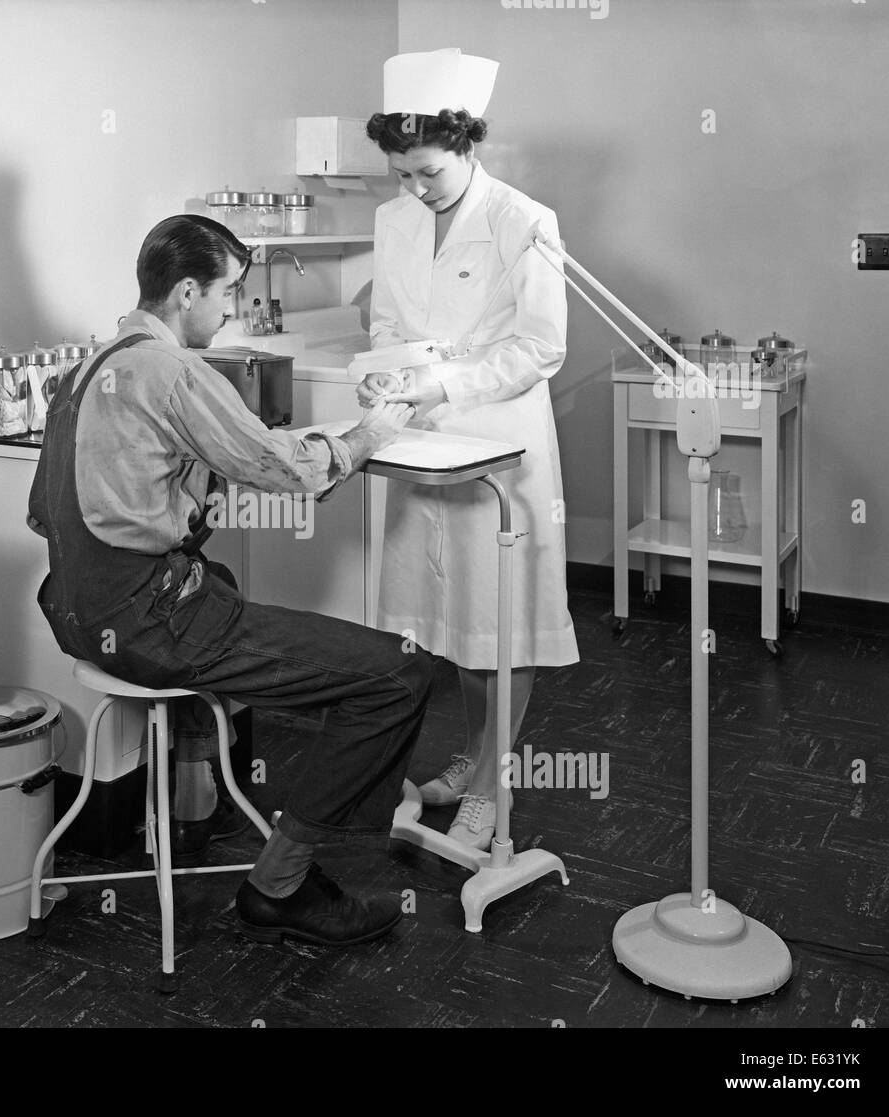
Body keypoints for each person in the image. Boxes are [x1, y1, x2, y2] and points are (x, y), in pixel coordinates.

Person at [28, 213, 434, 946]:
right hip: (153, 624)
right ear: (187, 291)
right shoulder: (174, 371)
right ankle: (280, 883)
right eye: (229, 293)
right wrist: (372, 432)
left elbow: (44, 513)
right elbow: (292, 468)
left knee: (216, 579)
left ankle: (202, 795)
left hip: (77, 617)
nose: (235, 311)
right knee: (398, 672)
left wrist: (180, 499)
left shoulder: (87, 367)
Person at [358, 50, 579, 851]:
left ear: (467, 145)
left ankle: (493, 780)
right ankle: (474, 753)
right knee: (448, 617)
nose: (415, 189)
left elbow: (540, 348)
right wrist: (385, 377)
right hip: (421, 437)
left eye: (427, 173)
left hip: (497, 440)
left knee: (500, 617)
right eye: (401, 175)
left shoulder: (524, 220)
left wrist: (442, 386)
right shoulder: (393, 220)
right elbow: (385, 323)